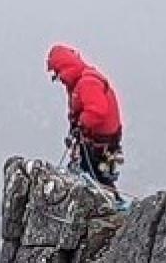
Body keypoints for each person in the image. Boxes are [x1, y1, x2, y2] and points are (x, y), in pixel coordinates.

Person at [46, 45, 124, 188]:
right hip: (101, 140)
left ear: (64, 69)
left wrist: (81, 124)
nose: (58, 79)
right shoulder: (82, 81)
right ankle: (109, 201)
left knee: (96, 177)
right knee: (98, 176)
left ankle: (108, 204)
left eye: (57, 74)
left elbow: (97, 111)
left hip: (100, 142)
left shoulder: (87, 83)